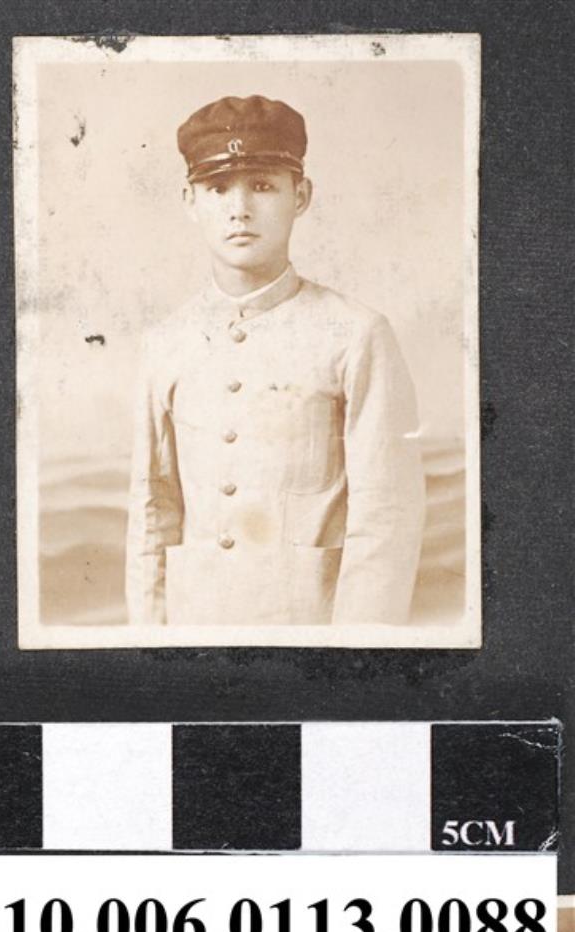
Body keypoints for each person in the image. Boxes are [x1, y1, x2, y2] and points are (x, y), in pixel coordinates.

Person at [125, 95, 425, 626]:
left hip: (312, 635)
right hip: (196, 633)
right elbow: (153, 510)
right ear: (190, 200)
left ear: (300, 196)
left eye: (263, 186)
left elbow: (386, 518)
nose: (239, 209)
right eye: (218, 189)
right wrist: (148, 647)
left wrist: (354, 656)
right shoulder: (165, 343)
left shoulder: (357, 334)